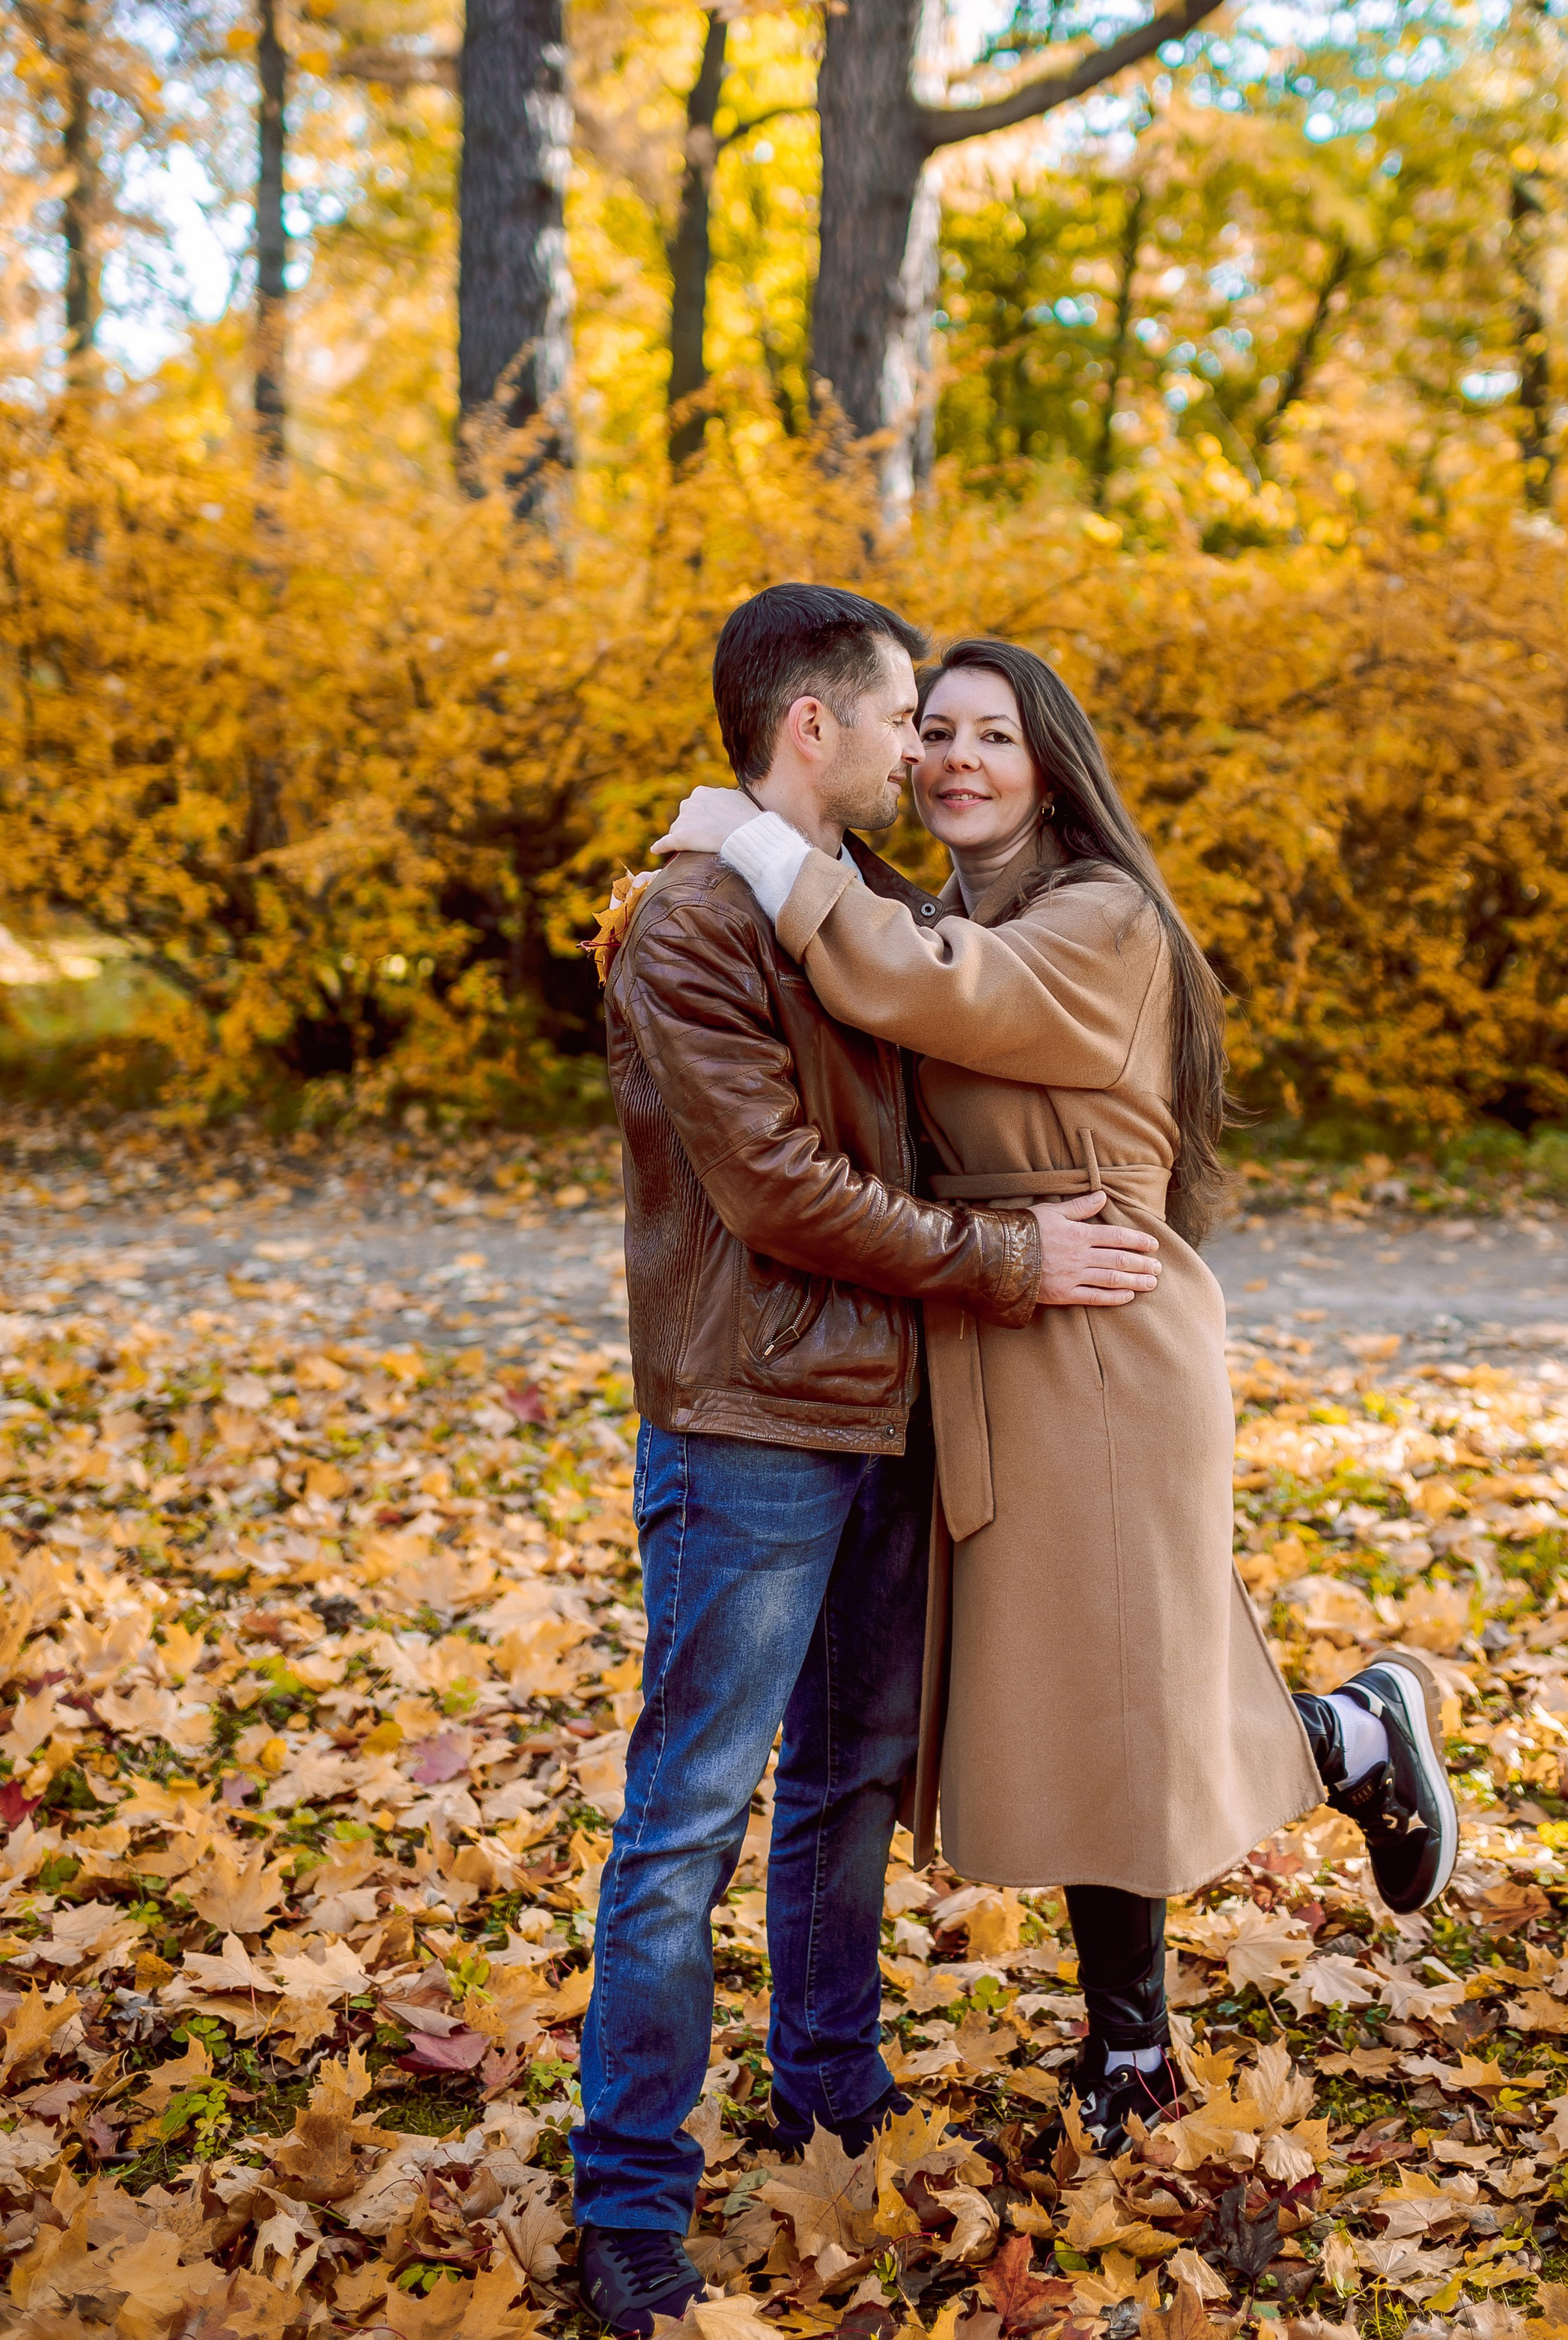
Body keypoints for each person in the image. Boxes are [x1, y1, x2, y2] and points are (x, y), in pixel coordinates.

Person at [656, 635, 1458, 2153]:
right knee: (1077, 1701)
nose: (953, 760)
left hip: (1097, 1331)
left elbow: (919, 988)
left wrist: (749, 832)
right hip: (999, 1310)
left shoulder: (1095, 917)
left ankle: (1138, 2044)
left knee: (1107, 1693)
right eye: (933, 732)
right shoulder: (960, 905)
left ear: (1051, 766)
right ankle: (1342, 1739)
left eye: (991, 738)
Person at [574, 586, 1167, 2339]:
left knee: (843, 1791)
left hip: (888, 1412)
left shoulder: (865, 908)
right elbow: (778, 1191)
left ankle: (831, 2102)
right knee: (687, 1814)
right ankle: (628, 2199)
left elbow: (955, 1068)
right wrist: (1008, 1264)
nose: (925, 748)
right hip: (752, 1423)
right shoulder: (688, 922)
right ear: (812, 725)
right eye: (905, 715)